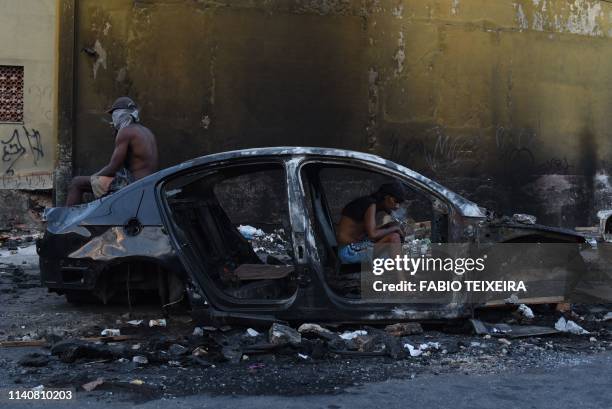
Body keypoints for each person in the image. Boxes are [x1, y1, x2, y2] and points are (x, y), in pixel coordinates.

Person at [66, 97, 159, 206]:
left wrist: (94, 178)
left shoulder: (125, 132)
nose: (113, 119)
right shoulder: (147, 132)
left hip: (134, 185)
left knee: (77, 183)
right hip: (149, 184)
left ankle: (67, 221)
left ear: (120, 114)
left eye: (113, 115)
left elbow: (113, 168)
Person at [336, 181, 406, 264]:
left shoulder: (370, 203)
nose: (397, 206)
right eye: (396, 201)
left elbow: (368, 231)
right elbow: (373, 234)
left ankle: (397, 272)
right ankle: (401, 277)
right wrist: (395, 228)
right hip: (348, 252)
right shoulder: (371, 204)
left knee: (393, 240)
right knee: (394, 237)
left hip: (354, 246)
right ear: (387, 198)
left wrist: (389, 226)